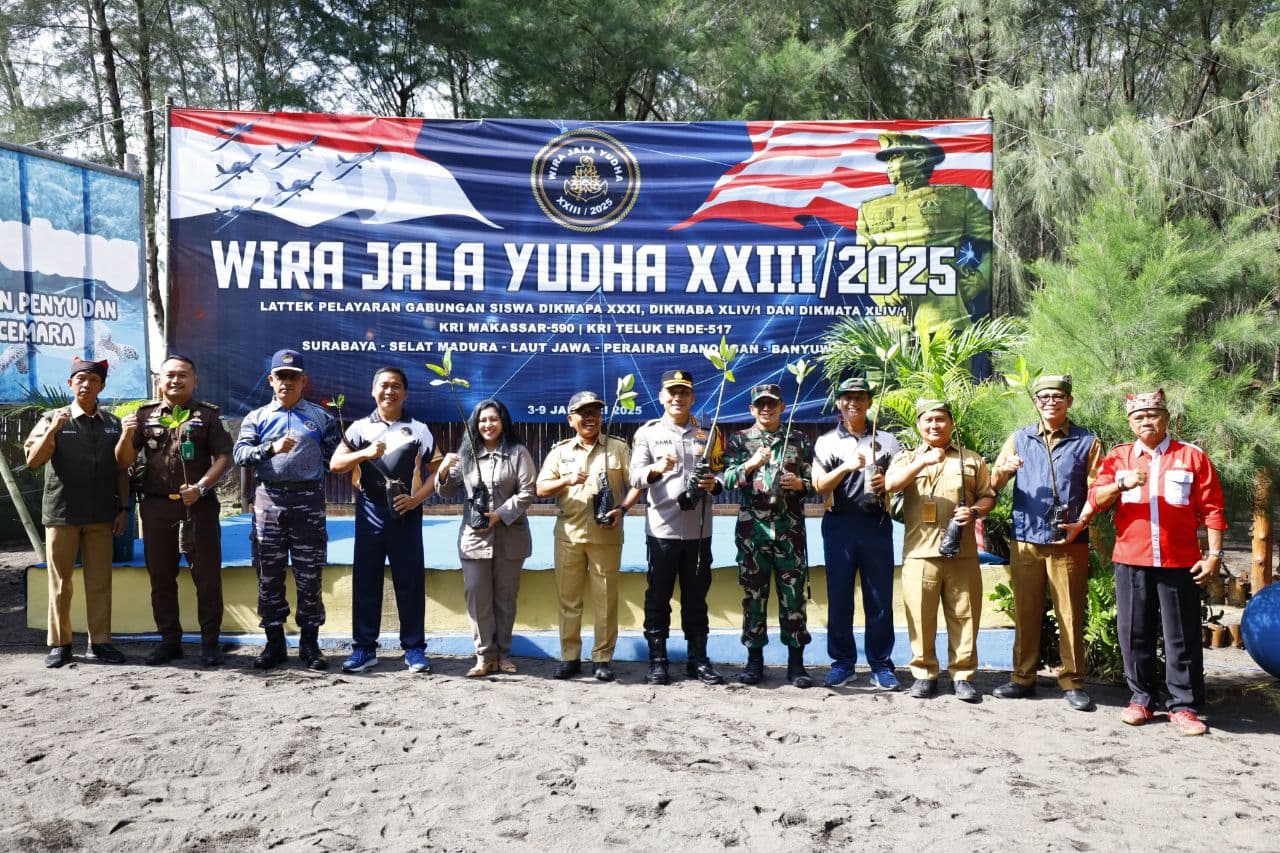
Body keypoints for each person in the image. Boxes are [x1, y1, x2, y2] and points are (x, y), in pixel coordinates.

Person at [1082, 389, 1226, 736]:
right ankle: (1142, 699)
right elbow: (1096, 499)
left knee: (1182, 635)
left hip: (1180, 561)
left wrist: (1215, 556)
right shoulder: (1119, 458)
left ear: (1166, 418)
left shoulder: (1191, 457)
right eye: (1139, 416)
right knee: (1134, 633)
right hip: (1132, 558)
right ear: (1130, 422)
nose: (1146, 421)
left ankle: (1185, 706)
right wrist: (1120, 483)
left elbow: (1213, 509)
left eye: (1153, 414)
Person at [989, 374, 1101, 711]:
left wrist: (1082, 522)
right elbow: (991, 484)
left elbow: (1098, 488)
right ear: (1035, 402)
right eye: (1044, 397)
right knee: (1025, 611)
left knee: (1069, 613)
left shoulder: (1087, 441)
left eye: (1057, 396)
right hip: (1026, 540)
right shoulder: (1019, 439)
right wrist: (1005, 470)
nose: (1050, 402)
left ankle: (1072, 681)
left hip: (1068, 540)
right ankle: (1022, 677)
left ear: (1069, 401)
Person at [116, 354, 233, 666]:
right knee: (161, 579)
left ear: (195, 381)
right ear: (160, 380)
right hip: (156, 509)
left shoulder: (208, 416)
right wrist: (127, 434)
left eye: (183, 375)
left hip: (200, 508)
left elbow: (224, 456)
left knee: (207, 578)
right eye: (169, 375)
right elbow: (124, 461)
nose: (175, 380)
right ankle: (170, 641)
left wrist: (202, 487)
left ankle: (210, 643)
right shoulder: (143, 416)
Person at [232, 349, 340, 671]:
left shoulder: (322, 418)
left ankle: (310, 644)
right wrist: (271, 448)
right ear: (271, 380)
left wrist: (309, 470)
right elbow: (240, 455)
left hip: (308, 503)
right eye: (281, 376)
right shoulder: (257, 418)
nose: (287, 382)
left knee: (310, 575)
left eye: (293, 377)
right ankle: (274, 643)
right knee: (269, 575)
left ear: (303, 381)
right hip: (269, 503)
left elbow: (335, 459)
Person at [329, 366, 440, 674]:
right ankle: (364, 649)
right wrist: (364, 453)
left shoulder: (419, 429)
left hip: (406, 512)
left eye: (396, 386)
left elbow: (438, 471)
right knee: (366, 581)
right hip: (369, 511)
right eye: (383, 386)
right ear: (372, 391)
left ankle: (414, 649)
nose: (389, 391)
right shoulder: (359, 428)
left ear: (405, 393)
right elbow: (336, 463)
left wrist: (416, 499)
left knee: (410, 582)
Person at [885, 399, 995, 702]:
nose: (934, 425)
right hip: (920, 553)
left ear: (951, 423)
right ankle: (924, 674)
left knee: (964, 615)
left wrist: (973, 512)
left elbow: (988, 497)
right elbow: (891, 485)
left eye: (941, 419)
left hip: (962, 552)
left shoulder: (971, 459)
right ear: (919, 425)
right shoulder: (907, 458)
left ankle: (962, 675)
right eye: (928, 420)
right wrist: (922, 462)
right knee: (921, 616)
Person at [24, 357, 130, 668]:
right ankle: (61, 644)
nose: (86, 384)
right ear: (70, 384)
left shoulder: (113, 423)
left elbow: (122, 470)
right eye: (80, 379)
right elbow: (33, 460)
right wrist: (54, 429)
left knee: (100, 581)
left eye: (93, 380)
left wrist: (123, 508)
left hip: (101, 515)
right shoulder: (52, 419)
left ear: (101, 386)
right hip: (62, 514)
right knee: (61, 581)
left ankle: (101, 642)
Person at [628, 369, 725, 686]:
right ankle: (658, 661)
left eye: (684, 392)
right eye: (672, 392)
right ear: (661, 397)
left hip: (698, 533)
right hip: (662, 533)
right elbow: (635, 477)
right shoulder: (648, 433)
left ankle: (698, 661)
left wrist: (714, 484)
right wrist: (657, 468)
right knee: (658, 598)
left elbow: (723, 474)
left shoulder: (708, 434)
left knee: (697, 599)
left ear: (692, 397)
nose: (677, 398)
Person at [536, 390, 640, 682]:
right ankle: (570, 657)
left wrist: (622, 509)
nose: (591, 417)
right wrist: (568, 480)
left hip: (606, 534)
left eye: (595, 411)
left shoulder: (618, 448)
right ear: (572, 420)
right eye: (584, 413)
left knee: (606, 599)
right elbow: (541, 489)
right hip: (568, 533)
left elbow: (637, 484)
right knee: (569, 599)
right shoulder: (560, 452)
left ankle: (602, 658)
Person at [722, 383, 815, 688]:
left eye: (771, 404)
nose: (766, 409)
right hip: (753, 534)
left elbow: (813, 482)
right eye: (760, 404)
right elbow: (728, 480)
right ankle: (754, 661)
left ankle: (796, 664)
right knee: (753, 598)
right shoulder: (739, 440)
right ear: (751, 409)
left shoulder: (799, 439)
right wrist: (751, 464)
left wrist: (799, 484)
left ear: (782, 407)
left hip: (790, 533)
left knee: (793, 599)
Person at [811, 376, 901, 690]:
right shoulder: (826, 441)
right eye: (847, 397)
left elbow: (900, 481)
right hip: (839, 526)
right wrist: (847, 467)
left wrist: (885, 482)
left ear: (869, 401)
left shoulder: (887, 440)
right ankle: (843, 663)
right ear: (839, 402)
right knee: (840, 598)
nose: (854, 402)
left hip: (876, 526)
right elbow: (819, 486)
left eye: (860, 397)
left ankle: (880, 664)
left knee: (879, 599)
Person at [435, 399, 535, 677]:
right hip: (474, 538)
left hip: (510, 537)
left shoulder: (517, 453)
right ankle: (484, 656)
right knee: (477, 597)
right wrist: (443, 470)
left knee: (505, 599)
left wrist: (499, 514)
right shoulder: (466, 455)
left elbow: (528, 492)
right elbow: (446, 491)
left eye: (493, 419)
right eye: (482, 420)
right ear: (474, 425)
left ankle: (503, 655)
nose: (488, 425)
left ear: (503, 422)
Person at [855, 132, 992, 330]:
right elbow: (863, 261)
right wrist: (883, 291)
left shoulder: (957, 198)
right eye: (887, 159)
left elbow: (991, 246)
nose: (889, 164)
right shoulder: (869, 210)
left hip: (944, 318)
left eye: (895, 157)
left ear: (918, 159)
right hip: (894, 323)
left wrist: (979, 280)